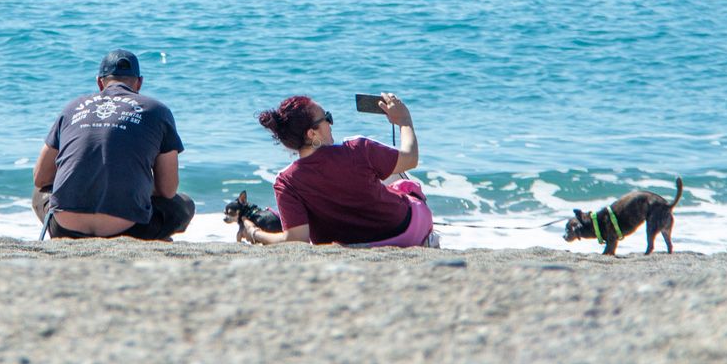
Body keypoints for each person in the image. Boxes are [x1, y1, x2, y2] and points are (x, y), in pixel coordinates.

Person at [31, 49, 195, 240]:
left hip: (65, 228)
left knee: (39, 193)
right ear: (139, 83)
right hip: (129, 229)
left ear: (100, 82)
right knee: (184, 205)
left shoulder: (72, 108)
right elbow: (167, 189)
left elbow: (40, 178)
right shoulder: (157, 111)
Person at [242, 92, 436, 248]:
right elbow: (411, 158)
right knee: (403, 184)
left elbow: (296, 240)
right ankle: (429, 239)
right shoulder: (357, 148)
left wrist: (253, 233)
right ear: (312, 133)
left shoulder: (286, 182)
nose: (330, 122)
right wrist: (404, 121)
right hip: (406, 231)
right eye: (327, 118)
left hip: (352, 245)